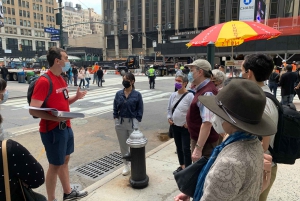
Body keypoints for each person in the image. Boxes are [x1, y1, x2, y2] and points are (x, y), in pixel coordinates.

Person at [175, 79, 277, 201]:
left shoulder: (229, 163)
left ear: (230, 119)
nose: (214, 116)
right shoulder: (253, 142)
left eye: (218, 112)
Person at [29, 47, 88, 201]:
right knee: (54, 165)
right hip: (52, 131)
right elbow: (33, 111)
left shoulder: (61, 79)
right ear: (57, 61)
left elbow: (63, 103)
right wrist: (55, 119)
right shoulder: (44, 81)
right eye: (66, 58)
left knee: (65, 160)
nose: (68, 61)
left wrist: (76, 97)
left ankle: (67, 192)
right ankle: (51, 199)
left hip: (66, 127)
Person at [240, 54, 279, 201]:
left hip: (260, 166)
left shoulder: (261, 101)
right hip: (264, 164)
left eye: (242, 70)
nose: (241, 74)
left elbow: (264, 142)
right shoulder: (269, 96)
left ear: (249, 73)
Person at [185, 59, 218, 162]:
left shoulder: (207, 93)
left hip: (205, 144)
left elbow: (207, 123)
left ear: (200, 72)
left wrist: (198, 149)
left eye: (191, 70)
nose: (189, 73)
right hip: (202, 141)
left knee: (201, 174)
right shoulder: (202, 88)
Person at [113, 73, 143, 176]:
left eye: (127, 80)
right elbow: (115, 106)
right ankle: (126, 165)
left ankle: (135, 163)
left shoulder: (137, 95)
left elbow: (140, 108)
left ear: (132, 81)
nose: (124, 81)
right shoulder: (119, 94)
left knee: (134, 145)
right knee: (123, 145)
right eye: (123, 79)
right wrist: (115, 117)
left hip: (132, 122)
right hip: (120, 122)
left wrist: (137, 120)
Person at [167, 74, 194, 174]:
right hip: (175, 126)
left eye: (179, 81)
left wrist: (188, 123)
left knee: (186, 148)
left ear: (185, 83)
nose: (177, 83)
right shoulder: (173, 95)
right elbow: (169, 109)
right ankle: (182, 166)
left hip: (185, 128)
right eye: (176, 81)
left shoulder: (190, 96)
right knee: (178, 147)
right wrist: (169, 118)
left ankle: (188, 169)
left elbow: (193, 112)